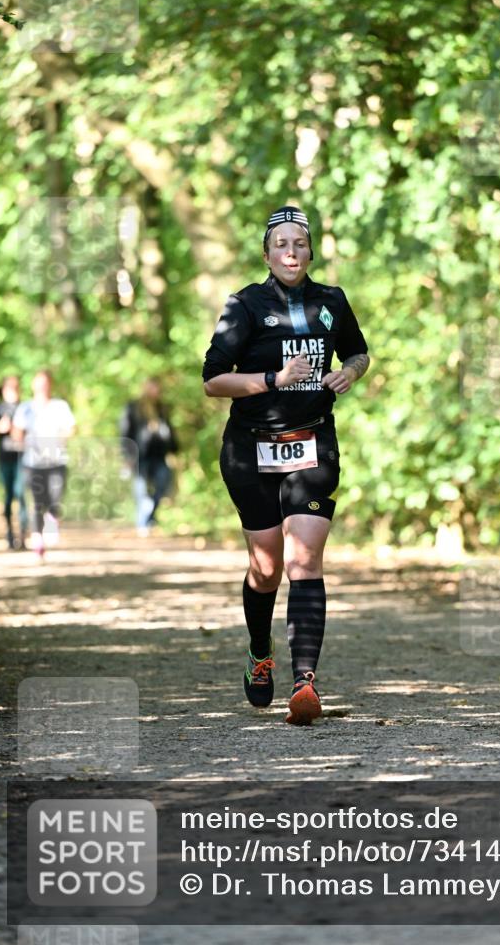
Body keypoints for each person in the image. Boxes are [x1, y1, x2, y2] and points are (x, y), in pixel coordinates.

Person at [203, 205, 370, 725]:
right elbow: (213, 380)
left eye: (300, 243)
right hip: (251, 449)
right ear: (267, 253)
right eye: (281, 244)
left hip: (313, 445)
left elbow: (359, 353)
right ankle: (259, 649)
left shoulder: (332, 302)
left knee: (304, 561)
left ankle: (305, 685)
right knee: (267, 568)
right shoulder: (245, 305)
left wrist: (351, 373)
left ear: (311, 251)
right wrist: (274, 378)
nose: (291, 252)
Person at [11, 370, 76, 558]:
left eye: (45, 383)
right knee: (38, 501)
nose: (42, 387)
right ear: (33, 385)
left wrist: (59, 438)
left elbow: (71, 428)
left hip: (57, 460)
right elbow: (17, 432)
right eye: (38, 383)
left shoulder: (60, 406)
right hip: (33, 462)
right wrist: (22, 441)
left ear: (50, 385)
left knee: (55, 499)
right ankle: (38, 537)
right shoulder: (25, 408)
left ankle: (52, 520)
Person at [120, 378, 178, 536]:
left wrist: (174, 449)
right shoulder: (133, 407)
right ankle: (143, 524)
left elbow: (169, 430)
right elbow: (126, 433)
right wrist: (127, 456)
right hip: (140, 456)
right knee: (141, 490)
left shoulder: (162, 408)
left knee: (162, 484)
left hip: (160, 455)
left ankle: (149, 515)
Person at [0, 375, 29, 550]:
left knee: (21, 494)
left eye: (16, 387)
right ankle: (10, 534)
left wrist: (18, 432)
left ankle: (22, 534)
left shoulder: (25, 409)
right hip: (5, 460)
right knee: (8, 496)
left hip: (23, 459)